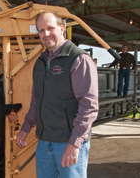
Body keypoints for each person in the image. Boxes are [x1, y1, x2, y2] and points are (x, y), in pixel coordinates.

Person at [16, 11, 99, 178]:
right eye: (41, 30)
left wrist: (75, 144)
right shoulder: (40, 62)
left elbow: (89, 106)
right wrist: (26, 127)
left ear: (62, 29)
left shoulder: (78, 59)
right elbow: (36, 98)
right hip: (44, 142)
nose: (46, 34)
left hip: (68, 142)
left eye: (50, 28)